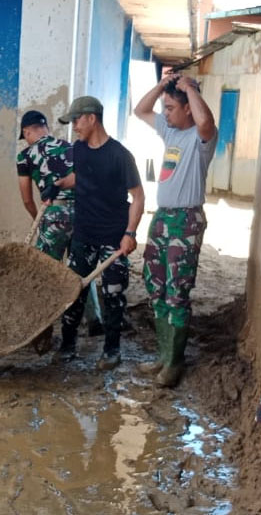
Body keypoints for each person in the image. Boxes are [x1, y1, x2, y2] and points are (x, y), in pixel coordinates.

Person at [133, 73, 217, 387]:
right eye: (165, 108)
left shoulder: (200, 137)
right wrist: (161, 85)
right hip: (163, 219)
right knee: (156, 287)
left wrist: (191, 89)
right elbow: (140, 110)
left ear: (187, 110)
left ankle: (174, 363)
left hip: (186, 221)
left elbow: (206, 121)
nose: (164, 113)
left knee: (177, 291)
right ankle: (162, 355)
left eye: (170, 108)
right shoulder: (170, 132)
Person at [55, 96, 144, 369]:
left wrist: (130, 233)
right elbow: (82, 176)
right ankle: (67, 345)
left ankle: (112, 350)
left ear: (91, 118)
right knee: (73, 291)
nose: (74, 127)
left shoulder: (120, 155)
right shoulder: (78, 150)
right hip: (83, 235)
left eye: (76, 121)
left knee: (113, 294)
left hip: (113, 238)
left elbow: (138, 197)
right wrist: (58, 185)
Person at [16, 110, 74, 259]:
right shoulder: (71, 146)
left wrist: (38, 218)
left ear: (26, 132)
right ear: (46, 128)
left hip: (54, 214)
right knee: (80, 270)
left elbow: (27, 200)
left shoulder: (24, 156)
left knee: (46, 270)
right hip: (84, 213)